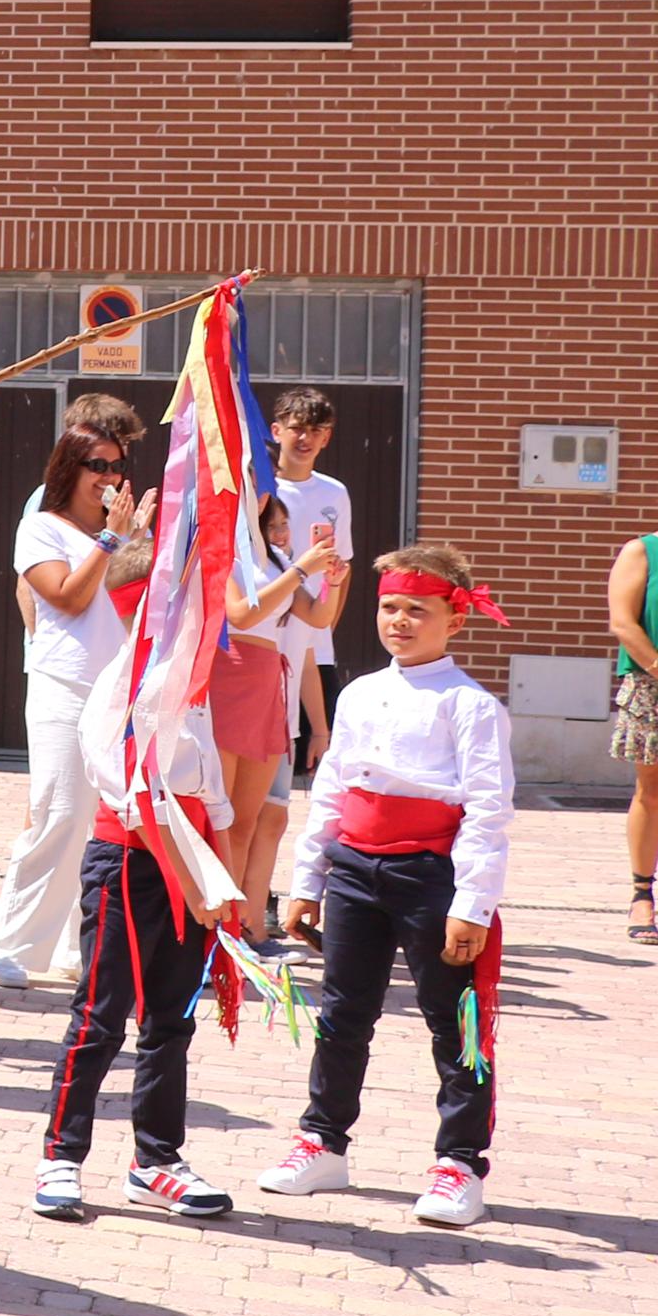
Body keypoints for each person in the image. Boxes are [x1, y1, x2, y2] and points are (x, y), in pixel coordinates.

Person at [260, 544, 515, 1229]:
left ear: (453, 620)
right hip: (354, 871)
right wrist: (306, 880)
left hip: (430, 877)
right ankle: (321, 1142)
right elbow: (333, 789)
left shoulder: (471, 706)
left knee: (453, 1018)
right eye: (389, 607)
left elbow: (488, 811)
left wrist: (471, 904)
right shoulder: (359, 692)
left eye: (416, 609)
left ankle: (460, 1160)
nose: (398, 620)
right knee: (343, 1014)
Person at [32, 656, 243, 1222]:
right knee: (101, 1014)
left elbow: (213, 791)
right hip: (127, 859)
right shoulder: (119, 682)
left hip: (191, 861)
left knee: (171, 1021)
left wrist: (224, 882)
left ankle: (156, 1161)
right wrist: (190, 881)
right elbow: (134, 793)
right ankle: (62, 1156)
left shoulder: (194, 680)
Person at [0, 427, 145, 991]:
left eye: (117, 466)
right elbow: (68, 596)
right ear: (69, 469)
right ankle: (8, 946)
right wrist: (110, 541)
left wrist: (137, 540)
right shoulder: (41, 528)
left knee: (94, 822)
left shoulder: (119, 534)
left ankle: (70, 945)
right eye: (96, 465)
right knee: (57, 812)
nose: (108, 477)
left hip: (115, 690)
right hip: (63, 684)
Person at [220, 498, 338, 946]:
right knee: (220, 816)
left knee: (247, 823)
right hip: (230, 673)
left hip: (270, 679)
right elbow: (240, 613)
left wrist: (331, 580)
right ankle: (214, 933)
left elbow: (319, 616)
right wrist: (302, 571)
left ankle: (243, 931)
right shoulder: (224, 547)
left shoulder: (280, 559)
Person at [613, 463, 658, 941]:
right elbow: (624, 622)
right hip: (657, 687)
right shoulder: (643, 551)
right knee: (654, 793)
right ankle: (643, 896)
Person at [270, 389, 352, 761]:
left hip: (314, 648)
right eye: (297, 428)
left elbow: (342, 566)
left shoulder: (335, 493)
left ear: (327, 437)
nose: (306, 439)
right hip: (267, 637)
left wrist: (324, 625)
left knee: (314, 758)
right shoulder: (258, 490)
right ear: (276, 431)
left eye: (316, 430)